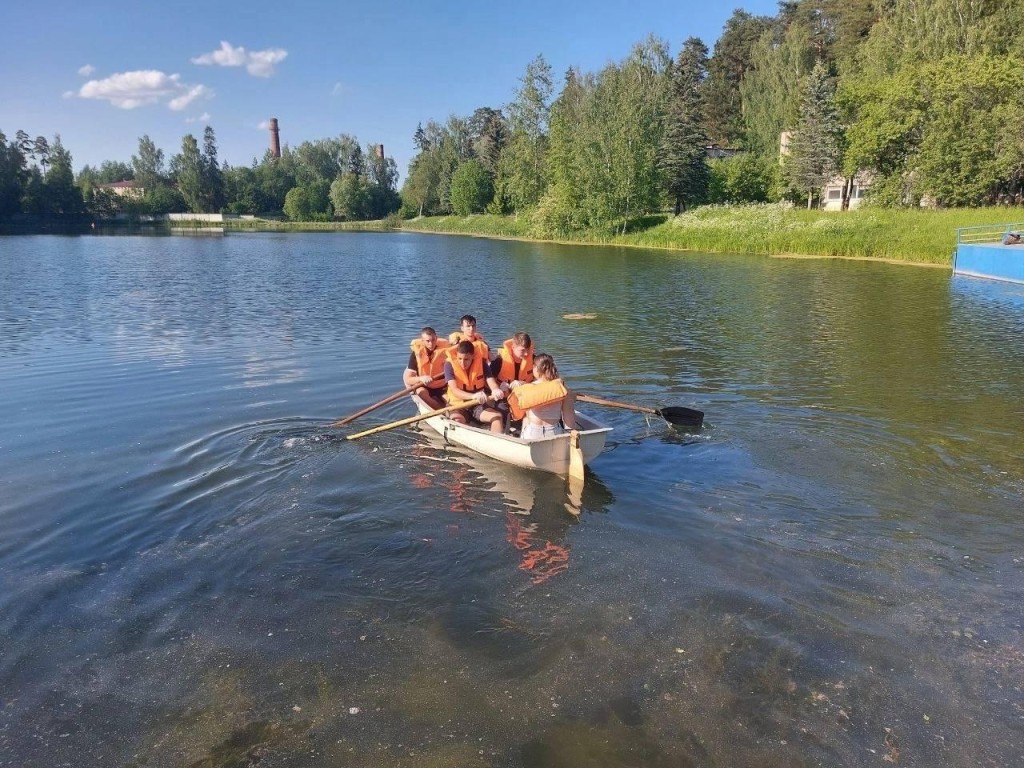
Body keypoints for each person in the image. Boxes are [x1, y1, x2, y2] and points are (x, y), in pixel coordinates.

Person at [507, 353, 577, 441]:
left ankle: (522, 440)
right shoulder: (562, 387)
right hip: (553, 431)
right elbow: (569, 417)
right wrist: (571, 434)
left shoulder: (526, 389)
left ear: (536, 369)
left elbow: (520, 414)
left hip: (533, 434)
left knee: (525, 418)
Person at [444, 339, 506, 433]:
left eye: (466, 359)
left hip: (477, 405)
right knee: (456, 420)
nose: (462, 363)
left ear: (472, 356)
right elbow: (455, 390)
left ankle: (494, 444)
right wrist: (473, 396)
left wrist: (495, 389)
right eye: (460, 359)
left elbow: (490, 380)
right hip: (457, 405)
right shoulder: (449, 365)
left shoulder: (481, 363)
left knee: (497, 417)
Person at [403, 326, 449, 409]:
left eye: (433, 340)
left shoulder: (446, 350)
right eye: (427, 341)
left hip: (442, 385)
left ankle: (447, 408)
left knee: (449, 400)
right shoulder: (416, 354)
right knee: (421, 393)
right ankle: (440, 409)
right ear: (422, 341)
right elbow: (408, 379)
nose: (431, 343)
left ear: (436, 338)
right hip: (425, 385)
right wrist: (421, 378)